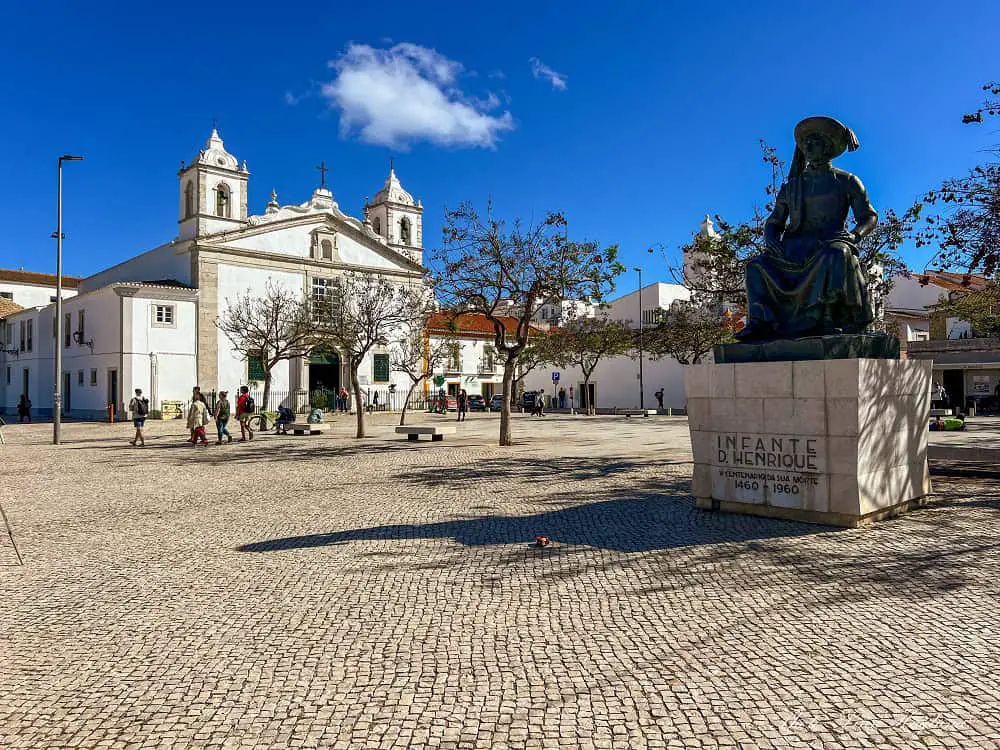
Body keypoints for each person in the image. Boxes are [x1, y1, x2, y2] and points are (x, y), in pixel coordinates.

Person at [737, 116, 878, 340]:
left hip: (829, 244)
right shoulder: (792, 186)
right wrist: (771, 239)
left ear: (828, 147)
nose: (808, 147)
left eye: (815, 142)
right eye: (806, 144)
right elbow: (775, 221)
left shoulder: (847, 181)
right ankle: (760, 321)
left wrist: (853, 235)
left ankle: (828, 317)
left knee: (838, 253)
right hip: (794, 248)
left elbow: (868, 216)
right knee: (756, 265)